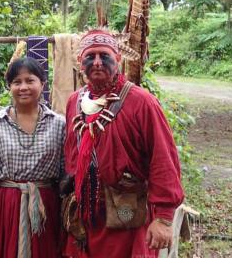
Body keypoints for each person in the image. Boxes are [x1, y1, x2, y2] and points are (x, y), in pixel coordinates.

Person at [62, 29, 184, 258]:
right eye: (90, 56)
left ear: (118, 58)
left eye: (104, 56)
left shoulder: (141, 102)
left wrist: (163, 218)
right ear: (80, 61)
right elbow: (71, 155)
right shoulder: (74, 102)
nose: (97, 62)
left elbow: (163, 158)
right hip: (86, 216)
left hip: (127, 215)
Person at [0, 57, 65, 258]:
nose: (23, 87)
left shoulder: (59, 124)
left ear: (42, 84)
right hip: (5, 210)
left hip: (45, 211)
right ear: (9, 86)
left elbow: (66, 176)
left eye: (30, 80)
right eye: (16, 82)